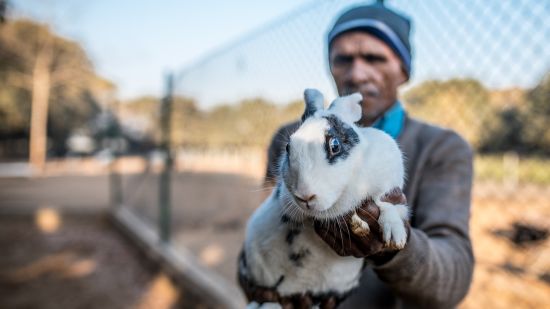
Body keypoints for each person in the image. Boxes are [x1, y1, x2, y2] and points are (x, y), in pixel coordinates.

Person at [240, 3, 474, 308]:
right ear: (330, 65)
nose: (356, 73)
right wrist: (258, 286)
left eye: (374, 58)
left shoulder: (440, 149)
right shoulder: (294, 141)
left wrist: (393, 247)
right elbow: (265, 237)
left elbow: (452, 278)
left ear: (404, 70)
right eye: (343, 59)